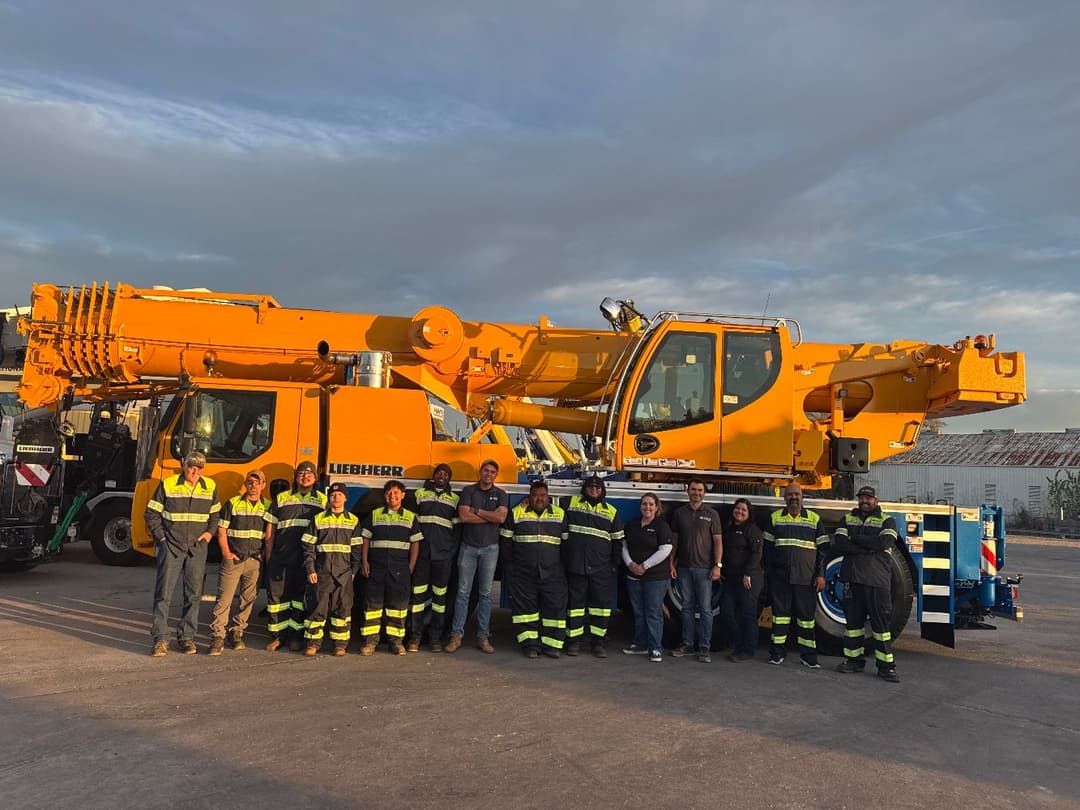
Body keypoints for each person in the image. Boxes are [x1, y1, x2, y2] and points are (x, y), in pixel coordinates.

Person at [145, 451, 221, 657]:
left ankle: (187, 637)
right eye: (191, 466)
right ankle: (160, 639)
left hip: (197, 547)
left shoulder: (210, 487)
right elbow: (151, 513)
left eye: (199, 467)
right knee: (164, 594)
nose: (195, 471)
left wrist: (209, 534)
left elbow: (215, 515)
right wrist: (162, 538)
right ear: (183, 465)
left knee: (193, 594)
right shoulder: (168, 484)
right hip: (171, 546)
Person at [833, 486, 901, 683]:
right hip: (852, 580)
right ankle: (853, 661)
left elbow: (885, 542)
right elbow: (839, 542)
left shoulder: (887, 520)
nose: (865, 500)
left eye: (868, 498)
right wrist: (868, 546)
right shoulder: (847, 518)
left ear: (876, 500)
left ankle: (886, 667)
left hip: (876, 581)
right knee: (853, 625)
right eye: (862, 497)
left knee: (881, 625)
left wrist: (855, 539)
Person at [446, 459, 507, 654]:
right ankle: (456, 636)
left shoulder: (501, 494)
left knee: (485, 595)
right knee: (462, 594)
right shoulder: (468, 491)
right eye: (486, 470)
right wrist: (489, 516)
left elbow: (501, 518)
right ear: (480, 472)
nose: (488, 474)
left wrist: (477, 511)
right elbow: (464, 516)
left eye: (492, 472)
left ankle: (483, 637)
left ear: (495, 475)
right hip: (468, 548)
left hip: (490, 549)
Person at [763, 483, 828, 668]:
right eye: (790, 494)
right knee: (780, 617)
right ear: (784, 497)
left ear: (802, 497)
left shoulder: (814, 519)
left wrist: (820, 575)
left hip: (806, 578)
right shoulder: (775, 518)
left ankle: (808, 657)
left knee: (806, 619)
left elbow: (823, 550)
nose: (793, 497)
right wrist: (770, 574)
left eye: (796, 494)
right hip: (781, 577)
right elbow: (767, 550)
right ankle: (777, 654)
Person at [501, 480, 568, 659]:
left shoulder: (560, 514)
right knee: (525, 611)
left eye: (543, 495)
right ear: (529, 497)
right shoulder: (516, 513)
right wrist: (511, 567)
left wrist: (562, 568)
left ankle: (552, 645)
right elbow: (506, 543)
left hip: (553, 572)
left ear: (548, 497)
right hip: (523, 572)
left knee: (554, 609)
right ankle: (530, 645)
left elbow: (567, 544)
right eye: (536, 495)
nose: (539, 498)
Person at [264, 461, 326, 652]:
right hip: (281, 557)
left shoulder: (323, 501)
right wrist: (269, 556)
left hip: (304, 560)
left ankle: (295, 637)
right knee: (277, 600)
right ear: (295, 476)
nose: (305, 477)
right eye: (301, 473)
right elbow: (270, 531)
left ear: (315, 478)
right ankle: (277, 637)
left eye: (309, 474)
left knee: (300, 599)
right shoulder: (281, 498)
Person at [208, 469, 271, 655]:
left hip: (255, 561)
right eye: (250, 482)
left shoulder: (268, 506)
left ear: (263, 485)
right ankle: (217, 636)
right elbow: (222, 531)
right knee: (224, 599)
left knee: (247, 600)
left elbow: (269, 536)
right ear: (245, 484)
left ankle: (236, 632)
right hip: (233, 559)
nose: (253, 485)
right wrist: (226, 553)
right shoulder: (232, 503)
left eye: (257, 482)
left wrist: (266, 559)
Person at [563, 474, 624, 658]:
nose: (594, 490)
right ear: (585, 488)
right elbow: (547, 501)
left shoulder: (611, 512)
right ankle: (573, 643)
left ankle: (598, 643)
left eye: (598, 488)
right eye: (591, 487)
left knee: (601, 607)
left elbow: (618, 541)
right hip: (576, 566)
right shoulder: (571, 503)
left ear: (602, 490)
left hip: (601, 568)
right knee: (575, 606)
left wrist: (614, 565)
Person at [359, 480, 422, 656]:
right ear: (384, 495)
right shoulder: (374, 515)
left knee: (398, 607)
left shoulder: (410, 517)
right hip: (377, 568)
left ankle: (396, 643)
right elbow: (365, 539)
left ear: (402, 495)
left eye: (396, 492)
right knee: (373, 606)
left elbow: (415, 542)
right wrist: (364, 561)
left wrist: (411, 565)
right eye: (389, 493)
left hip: (400, 569)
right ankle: (370, 643)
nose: (392, 496)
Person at [301, 482, 363, 657]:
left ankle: (340, 645)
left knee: (343, 610)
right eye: (333, 495)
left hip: (344, 574)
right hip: (322, 572)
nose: (336, 498)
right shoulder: (318, 519)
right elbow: (308, 547)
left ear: (345, 498)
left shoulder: (353, 520)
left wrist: (353, 572)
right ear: (329, 498)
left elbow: (357, 550)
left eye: (339, 495)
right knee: (317, 609)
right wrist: (310, 569)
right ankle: (313, 644)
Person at [668, 478, 723, 663]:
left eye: (700, 490)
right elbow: (674, 540)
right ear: (687, 491)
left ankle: (705, 647)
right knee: (687, 608)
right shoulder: (679, 513)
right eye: (693, 489)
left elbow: (718, 541)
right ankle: (687, 643)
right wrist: (671, 562)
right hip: (683, 568)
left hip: (705, 569)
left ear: (704, 493)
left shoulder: (712, 514)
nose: (696, 493)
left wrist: (718, 565)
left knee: (706, 610)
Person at [407, 463, 460, 652]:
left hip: (442, 557)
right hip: (422, 554)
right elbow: (412, 525)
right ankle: (415, 637)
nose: (442, 476)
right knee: (418, 598)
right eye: (439, 473)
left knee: (440, 601)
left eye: (446, 474)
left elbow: (457, 531)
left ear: (449, 478)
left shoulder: (455, 499)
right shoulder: (420, 495)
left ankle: (435, 638)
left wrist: (450, 553)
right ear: (434, 475)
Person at [621, 493, 672, 663]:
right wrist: (630, 564)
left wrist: (644, 566)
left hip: (655, 578)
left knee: (653, 612)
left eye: (651, 504)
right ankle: (641, 644)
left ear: (657, 507)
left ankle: (655, 648)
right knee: (639, 611)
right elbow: (624, 545)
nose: (647, 507)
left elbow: (665, 549)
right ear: (640, 506)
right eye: (644, 504)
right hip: (633, 576)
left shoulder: (662, 526)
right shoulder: (632, 525)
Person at [719, 498, 764, 662]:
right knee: (727, 612)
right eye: (737, 508)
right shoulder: (729, 528)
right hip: (731, 578)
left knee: (747, 614)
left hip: (749, 578)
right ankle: (738, 645)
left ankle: (748, 649)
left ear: (749, 513)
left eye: (744, 510)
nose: (740, 512)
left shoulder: (752, 530)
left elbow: (756, 553)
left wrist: (748, 573)